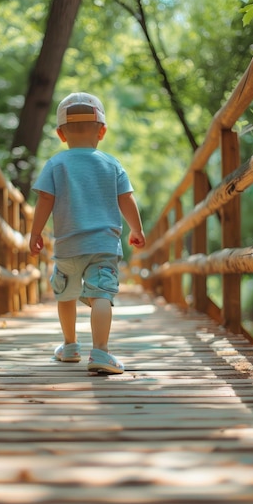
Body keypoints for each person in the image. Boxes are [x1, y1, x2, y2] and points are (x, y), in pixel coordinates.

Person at [29, 92, 146, 374]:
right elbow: (126, 199)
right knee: (101, 296)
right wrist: (136, 229)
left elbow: (45, 200)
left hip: (68, 246)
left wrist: (35, 233)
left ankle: (70, 346)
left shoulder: (56, 164)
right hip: (103, 245)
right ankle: (101, 352)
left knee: (66, 295)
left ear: (60, 133)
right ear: (102, 131)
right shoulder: (111, 164)